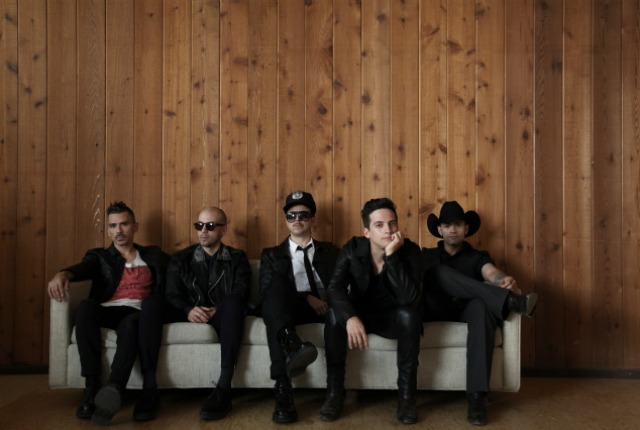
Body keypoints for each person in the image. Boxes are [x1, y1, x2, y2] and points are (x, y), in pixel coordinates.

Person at [46, 201, 169, 425]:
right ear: (109, 230)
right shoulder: (100, 257)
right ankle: (92, 387)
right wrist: (62, 274)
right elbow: (83, 269)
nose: (119, 230)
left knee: (131, 326)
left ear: (135, 226)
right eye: (113, 226)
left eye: (124, 224)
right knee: (85, 307)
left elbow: (179, 270)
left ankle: (114, 387)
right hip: (108, 310)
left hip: (138, 313)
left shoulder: (153, 255)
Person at [422, 201, 538, 426]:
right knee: (437, 272)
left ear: (466, 228)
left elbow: (491, 273)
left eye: (458, 224)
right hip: (433, 308)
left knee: (482, 308)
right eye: (447, 225)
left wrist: (503, 280)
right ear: (440, 229)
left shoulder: (477, 257)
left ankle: (477, 399)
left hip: (465, 310)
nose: (453, 229)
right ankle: (512, 301)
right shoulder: (426, 255)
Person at [136, 207, 250, 422]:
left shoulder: (237, 258)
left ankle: (223, 388)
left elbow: (241, 292)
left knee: (233, 303)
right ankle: (149, 389)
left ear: (224, 230)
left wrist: (217, 309)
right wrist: (188, 310)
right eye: (199, 225)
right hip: (186, 311)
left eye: (210, 226)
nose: (203, 231)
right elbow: (171, 293)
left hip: (220, 314)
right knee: (151, 303)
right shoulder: (181, 258)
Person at [324, 197, 423, 424]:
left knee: (410, 315)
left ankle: (407, 399)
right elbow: (335, 288)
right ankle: (334, 395)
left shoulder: (410, 251)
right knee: (333, 315)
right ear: (367, 232)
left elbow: (410, 299)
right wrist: (350, 317)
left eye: (392, 223)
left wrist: (392, 256)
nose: (388, 230)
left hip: (393, 317)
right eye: (379, 225)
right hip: (361, 315)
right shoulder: (352, 249)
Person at [258, 190, 340, 424]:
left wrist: (327, 301)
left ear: (313, 219)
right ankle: (283, 389)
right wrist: (305, 297)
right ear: (286, 220)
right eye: (291, 215)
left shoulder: (331, 252)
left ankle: (334, 392)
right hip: (291, 310)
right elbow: (266, 294)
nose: (297, 220)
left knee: (278, 316)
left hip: (327, 308)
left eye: (303, 215)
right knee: (275, 292)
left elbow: (341, 285)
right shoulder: (272, 255)